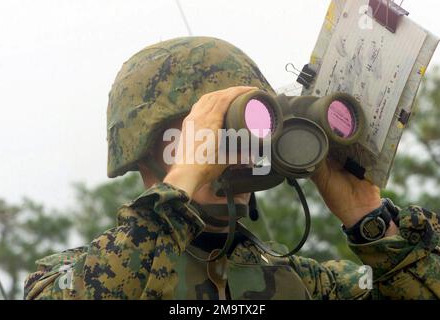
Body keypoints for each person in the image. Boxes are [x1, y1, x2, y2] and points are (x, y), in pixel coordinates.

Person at [24, 37, 440, 300]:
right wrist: (186, 180)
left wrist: (370, 221)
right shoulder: (69, 278)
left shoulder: (308, 285)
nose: (237, 151)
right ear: (151, 147)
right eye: (214, 131)